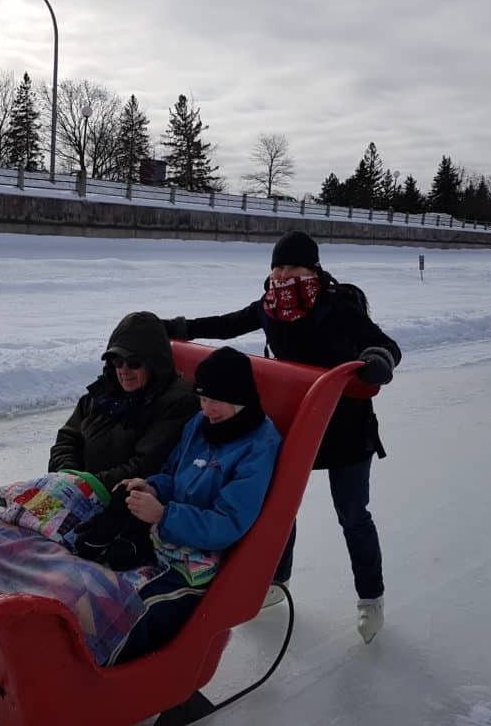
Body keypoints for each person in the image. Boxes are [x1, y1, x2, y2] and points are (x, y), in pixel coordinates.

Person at [162, 230, 400, 644]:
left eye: (291, 266)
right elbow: (228, 324)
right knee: (278, 508)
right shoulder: (271, 306)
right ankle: (276, 579)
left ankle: (370, 598)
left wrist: (377, 360)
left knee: (352, 514)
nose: (281, 274)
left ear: (312, 268)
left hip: (345, 428)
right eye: (276, 266)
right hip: (297, 424)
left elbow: (385, 344)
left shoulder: (337, 305)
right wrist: (175, 328)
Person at [108, 346, 281, 664]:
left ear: (239, 398)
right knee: (98, 586)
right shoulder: (199, 425)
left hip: (203, 565)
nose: (207, 409)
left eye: (215, 400)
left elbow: (228, 523)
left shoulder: (258, 446)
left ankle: (106, 685)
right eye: (202, 399)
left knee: (132, 612)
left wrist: (164, 514)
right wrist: (151, 486)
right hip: (167, 541)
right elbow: (174, 475)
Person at [48, 310, 199, 490]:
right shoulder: (103, 393)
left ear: (155, 363)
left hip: (127, 502)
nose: (123, 370)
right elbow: (68, 438)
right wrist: (67, 475)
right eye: (117, 361)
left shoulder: (177, 403)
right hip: (78, 491)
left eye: (133, 363)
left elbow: (146, 465)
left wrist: (88, 487)